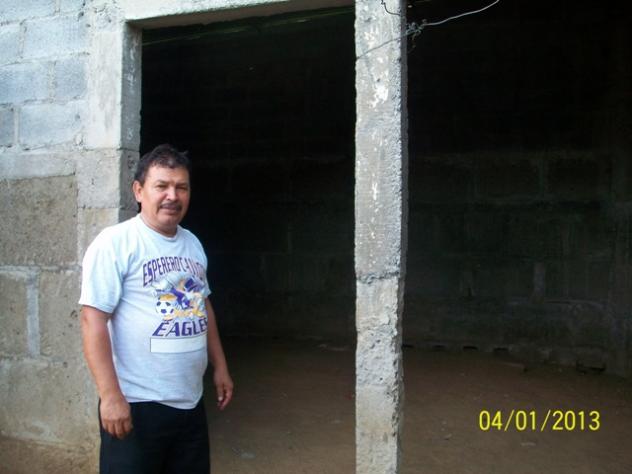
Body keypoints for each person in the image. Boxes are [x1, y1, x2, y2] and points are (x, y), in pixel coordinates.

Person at [79, 144, 233, 473]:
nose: (172, 196)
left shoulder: (192, 244)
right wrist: (110, 396)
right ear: (139, 191)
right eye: (161, 185)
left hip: (190, 400)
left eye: (181, 187)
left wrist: (220, 366)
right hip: (137, 403)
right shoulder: (115, 242)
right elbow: (92, 320)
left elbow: (202, 306)